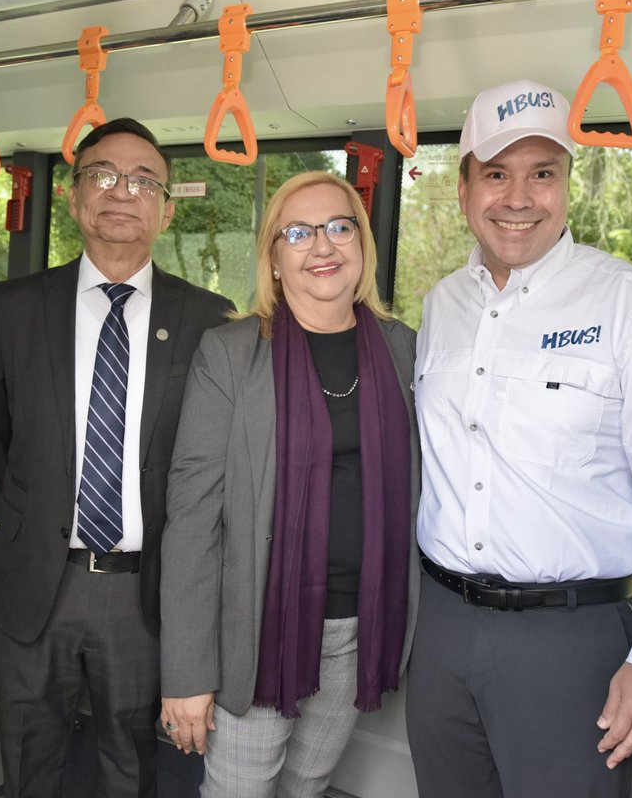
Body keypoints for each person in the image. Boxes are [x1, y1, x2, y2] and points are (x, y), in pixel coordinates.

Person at [406, 80, 632, 798]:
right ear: (464, 191)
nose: (518, 198)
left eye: (541, 174)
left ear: (567, 186)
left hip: (570, 638)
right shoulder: (441, 306)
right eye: (496, 175)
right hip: (441, 627)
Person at [0, 117, 233, 798]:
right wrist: (50, 504)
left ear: (167, 208)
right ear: (74, 195)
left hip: (144, 593)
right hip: (36, 585)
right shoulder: (10, 308)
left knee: (131, 768)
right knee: (30, 765)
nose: (123, 191)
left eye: (144, 181)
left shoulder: (210, 319)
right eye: (104, 175)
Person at [158, 171, 419, 797]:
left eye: (338, 227)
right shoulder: (229, 354)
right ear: (274, 258)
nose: (322, 247)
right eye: (297, 233)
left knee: (305, 787)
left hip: (362, 626)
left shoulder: (404, 349)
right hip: (257, 631)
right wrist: (188, 674)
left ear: (362, 244)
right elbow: (192, 519)